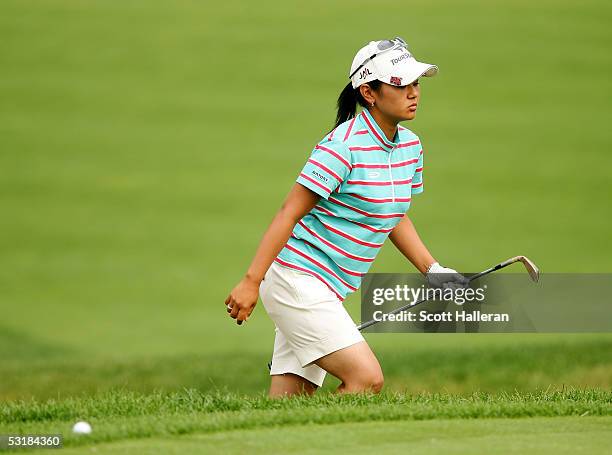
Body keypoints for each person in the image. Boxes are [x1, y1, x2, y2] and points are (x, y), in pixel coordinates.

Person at [224, 37, 466, 397]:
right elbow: (289, 212)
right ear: (369, 93)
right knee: (366, 379)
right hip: (298, 281)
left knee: (287, 405)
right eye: (402, 84)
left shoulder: (411, 147)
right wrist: (250, 281)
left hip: (325, 290)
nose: (414, 92)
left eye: (417, 83)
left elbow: (392, 214)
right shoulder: (343, 146)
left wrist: (432, 270)